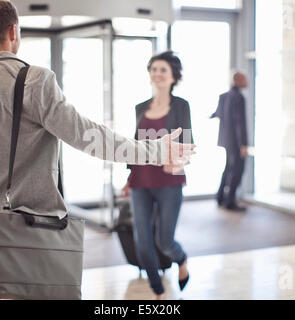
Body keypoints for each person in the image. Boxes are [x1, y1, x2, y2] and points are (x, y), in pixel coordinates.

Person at [0, 0, 195, 300]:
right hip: (29, 230)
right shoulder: (34, 81)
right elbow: (89, 136)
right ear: (13, 31)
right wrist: (156, 151)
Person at [122, 51, 193, 300]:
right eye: (153, 69)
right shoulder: (140, 107)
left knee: (165, 242)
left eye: (163, 70)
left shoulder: (181, 106)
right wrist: (129, 179)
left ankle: (181, 260)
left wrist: (173, 160)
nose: (157, 74)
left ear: (174, 76)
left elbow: (186, 142)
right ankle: (158, 292)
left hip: (169, 183)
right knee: (142, 241)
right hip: (141, 181)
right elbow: (135, 145)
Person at [211, 71, 248, 211]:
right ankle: (230, 201)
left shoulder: (224, 96)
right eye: (244, 79)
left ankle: (220, 197)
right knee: (237, 171)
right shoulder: (239, 97)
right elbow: (240, 122)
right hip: (236, 142)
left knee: (228, 169)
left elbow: (217, 114)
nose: (247, 81)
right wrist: (243, 144)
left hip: (225, 140)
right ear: (238, 81)